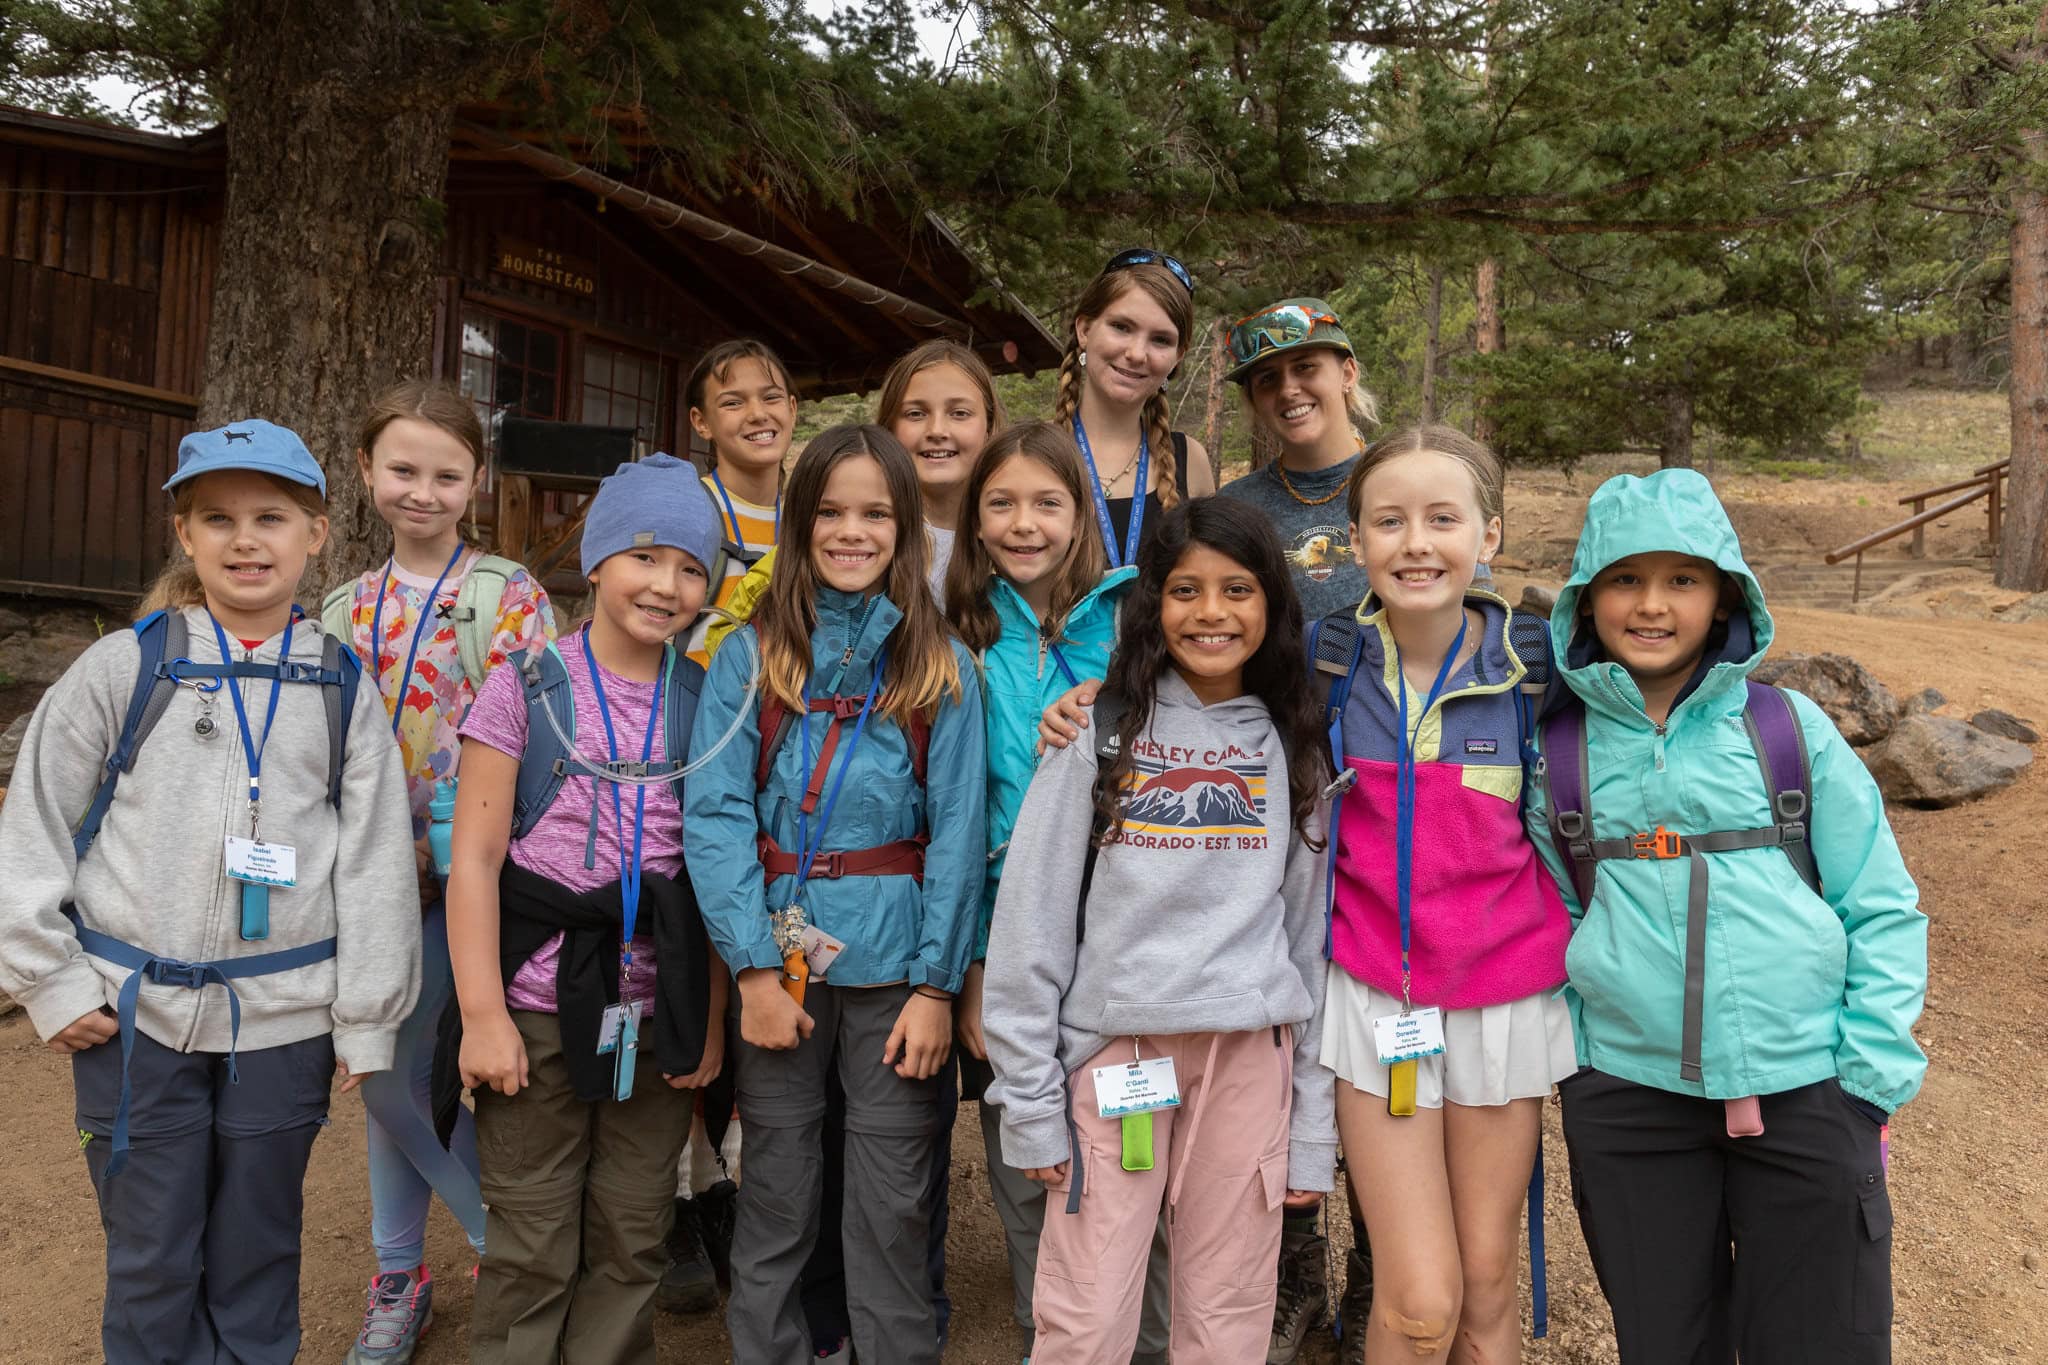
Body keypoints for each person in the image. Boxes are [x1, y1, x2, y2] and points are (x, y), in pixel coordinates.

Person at [0, 419, 421, 1364]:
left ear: (316, 534)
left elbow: (374, 862)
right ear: (184, 535)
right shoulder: (124, 667)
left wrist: (365, 1018)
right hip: (132, 1017)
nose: (245, 540)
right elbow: (33, 822)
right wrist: (49, 980)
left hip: (284, 1022)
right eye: (218, 518)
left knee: (257, 1250)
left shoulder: (341, 686)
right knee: (150, 1254)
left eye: (271, 517)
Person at [1530, 467, 1926, 1364]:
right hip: (1629, 1102)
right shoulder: (1560, 752)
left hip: (1808, 1087)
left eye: (1683, 578)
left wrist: (1867, 1079)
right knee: (1667, 1343)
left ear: (1724, 596)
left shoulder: (1787, 728)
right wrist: (1581, 1065)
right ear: (1586, 600)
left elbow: (1881, 903)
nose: (1652, 603)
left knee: (1822, 1344)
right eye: (1625, 579)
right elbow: (1556, 917)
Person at [983, 496, 1337, 1365]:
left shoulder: (1294, 743)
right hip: (1116, 1057)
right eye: (1185, 589)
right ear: (1153, 602)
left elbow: (1306, 942)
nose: (1211, 612)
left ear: (1272, 602)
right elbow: (1030, 922)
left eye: (1237, 589)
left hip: (1248, 1060)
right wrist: (1029, 1101)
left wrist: (1311, 1130)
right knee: (1085, 1312)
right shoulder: (1099, 730)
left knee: (1227, 1312)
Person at [685, 423, 986, 1365]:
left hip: (898, 969)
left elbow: (959, 836)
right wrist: (751, 969)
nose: (852, 532)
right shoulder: (750, 658)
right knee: (778, 1189)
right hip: (782, 963)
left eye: (876, 514)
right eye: (830, 512)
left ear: (906, 528)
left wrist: (936, 986)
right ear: (799, 521)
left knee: (893, 1198)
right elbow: (717, 816)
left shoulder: (940, 666)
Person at [447, 452, 727, 1363]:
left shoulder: (707, 701)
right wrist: (482, 1015)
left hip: (654, 1010)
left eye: (691, 567)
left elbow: (717, 874)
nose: (667, 585)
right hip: (533, 1008)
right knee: (531, 1234)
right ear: (597, 560)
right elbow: (475, 860)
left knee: (633, 1228)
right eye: (645, 556)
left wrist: (706, 1022)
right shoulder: (526, 686)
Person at [1315, 425, 1574, 1365]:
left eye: (1442, 519)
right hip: (1376, 1001)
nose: (1415, 543)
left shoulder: (1538, 672)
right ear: (1356, 540)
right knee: (1421, 1299)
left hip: (1504, 1001)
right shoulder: (1325, 663)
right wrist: (1092, 700)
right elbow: (1197, 679)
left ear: (1489, 535)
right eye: (1389, 521)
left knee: (1487, 1284)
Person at [324, 380, 556, 1365]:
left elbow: (538, 739)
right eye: (402, 469)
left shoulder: (509, 596)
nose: (422, 492)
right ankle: (408, 1270)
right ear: (366, 470)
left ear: (476, 481)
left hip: (472, 878)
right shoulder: (342, 609)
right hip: (367, 882)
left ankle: (493, 1244)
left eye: (446, 474)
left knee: (406, 1073)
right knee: (388, 1070)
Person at [941, 421, 1173, 1363]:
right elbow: (952, 815)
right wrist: (971, 970)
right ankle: (1055, 1331)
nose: (1024, 523)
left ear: (1082, 514)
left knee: (1136, 1140)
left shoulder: (1133, 623)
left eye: (1047, 502)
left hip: (1122, 927)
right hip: (1008, 932)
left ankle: (1150, 1339)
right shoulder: (958, 633)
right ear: (974, 518)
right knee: (1029, 1142)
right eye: (1001, 503)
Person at [1215, 296, 1378, 622]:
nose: (1288, 390)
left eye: (1305, 367)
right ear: (1254, 400)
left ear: (1348, 373)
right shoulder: (1233, 509)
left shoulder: (1406, 479)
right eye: (1267, 378)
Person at [1052, 247, 1217, 567]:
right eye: (1122, 327)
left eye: (1161, 340)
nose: (1137, 354)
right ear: (1084, 330)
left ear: (1178, 357)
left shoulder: (1190, 460)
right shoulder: (1031, 452)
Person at [684, 338, 797, 667]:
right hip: (691, 697)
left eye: (771, 397)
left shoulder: (809, 523)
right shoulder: (687, 511)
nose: (758, 414)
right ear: (701, 422)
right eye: (733, 403)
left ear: (792, 409)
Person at [877, 337, 1008, 596]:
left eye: (959, 413)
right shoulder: (869, 537)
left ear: (989, 427)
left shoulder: (1014, 535)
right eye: (915, 414)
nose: (937, 430)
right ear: (889, 428)